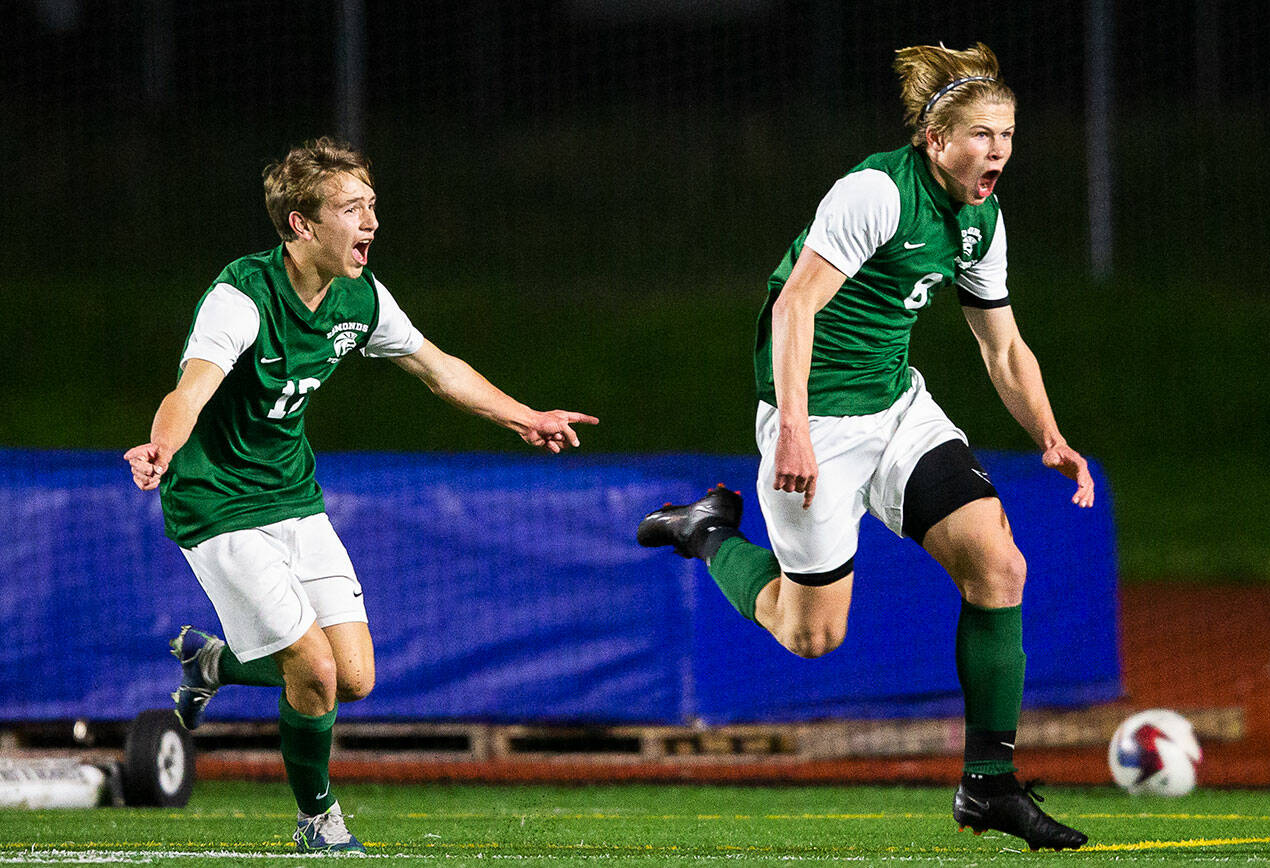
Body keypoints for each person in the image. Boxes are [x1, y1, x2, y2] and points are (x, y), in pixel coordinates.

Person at [638, 43, 1091, 851]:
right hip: (814, 420)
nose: (998, 152)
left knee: (1000, 566)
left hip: (897, 407)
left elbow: (1004, 348)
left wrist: (1050, 436)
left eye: (1008, 135)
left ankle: (987, 786)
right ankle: (704, 530)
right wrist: (799, 432)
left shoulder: (982, 218)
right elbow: (795, 311)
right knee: (812, 634)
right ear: (933, 138)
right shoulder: (875, 191)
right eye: (982, 135)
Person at [125, 137, 598, 853]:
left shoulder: (360, 298)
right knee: (311, 670)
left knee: (354, 677)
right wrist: (161, 444)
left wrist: (526, 416)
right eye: (352, 209)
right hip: (217, 504)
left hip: (292, 497)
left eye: (372, 204)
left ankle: (214, 663)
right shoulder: (242, 297)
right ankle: (317, 820)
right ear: (301, 226)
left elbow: (439, 369)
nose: (371, 221)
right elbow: (190, 389)